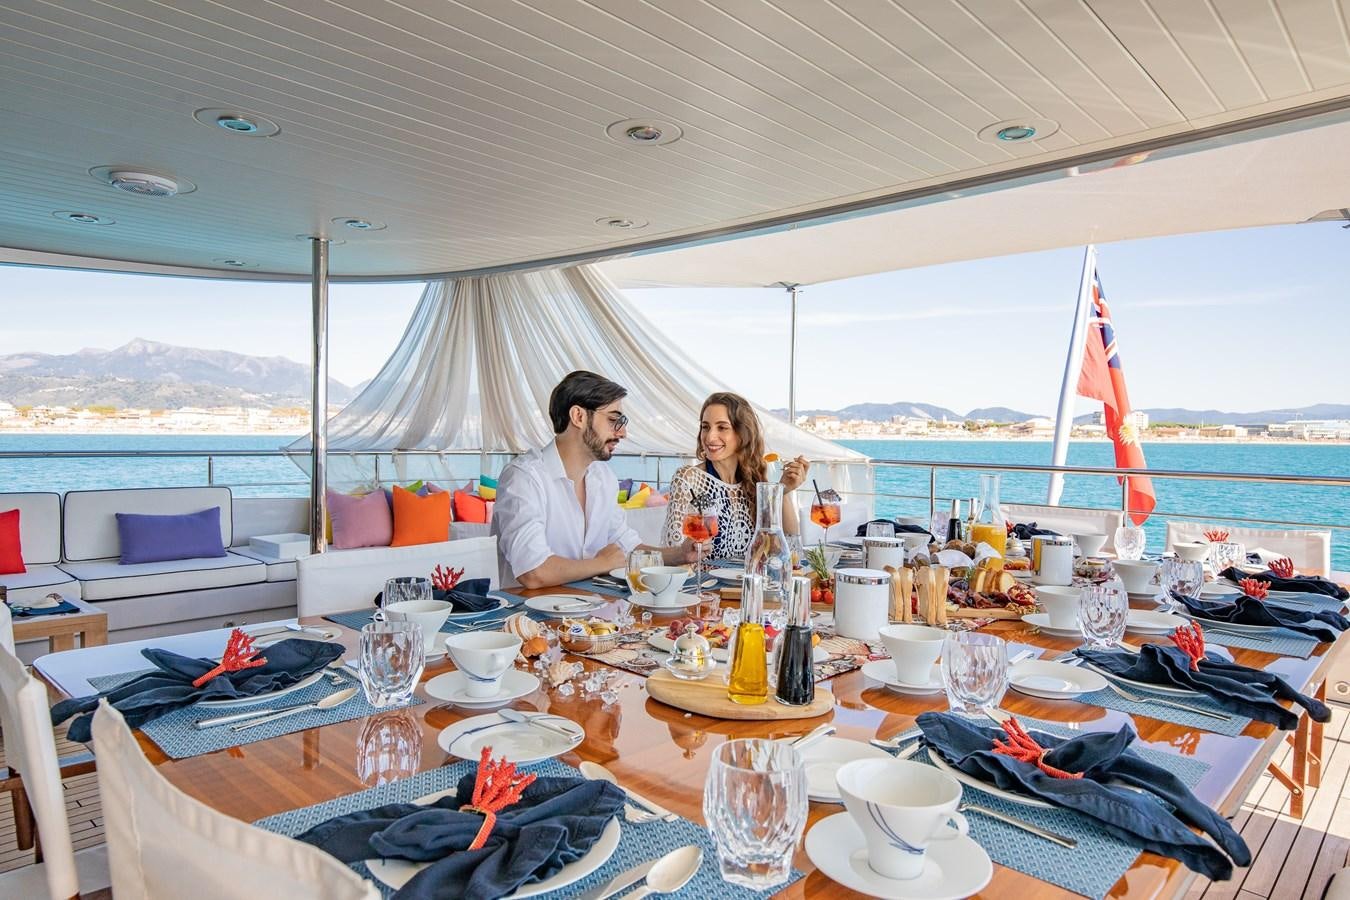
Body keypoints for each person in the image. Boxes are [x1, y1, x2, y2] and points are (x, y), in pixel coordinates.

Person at [493, 370, 692, 588]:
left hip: (590, 613)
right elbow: (533, 572)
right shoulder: (525, 478)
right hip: (527, 617)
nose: (623, 432)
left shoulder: (602, 477)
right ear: (579, 417)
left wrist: (681, 554)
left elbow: (627, 547)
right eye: (613, 420)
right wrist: (600, 563)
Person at [662, 392, 807, 558]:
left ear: (742, 434)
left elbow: (789, 550)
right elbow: (678, 553)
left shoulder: (754, 481)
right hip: (704, 583)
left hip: (748, 582)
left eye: (722, 427)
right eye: (705, 427)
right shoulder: (688, 479)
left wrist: (783, 491)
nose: (709, 437)